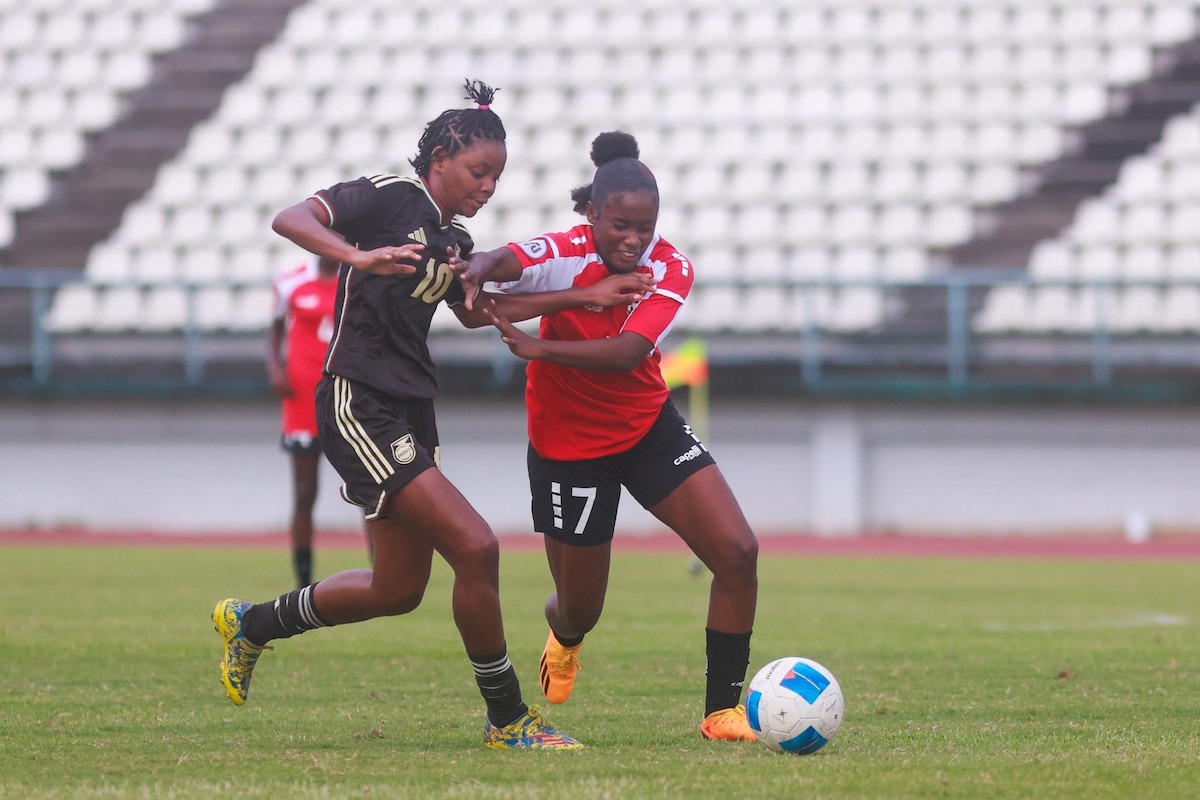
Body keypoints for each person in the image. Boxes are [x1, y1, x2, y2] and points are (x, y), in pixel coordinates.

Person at [210, 81, 645, 750]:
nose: (488, 186)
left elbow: (480, 311)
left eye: (497, 176)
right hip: (359, 398)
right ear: (440, 155)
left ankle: (253, 624)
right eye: (479, 171)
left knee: (397, 588)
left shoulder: (451, 238)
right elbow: (290, 218)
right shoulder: (388, 196)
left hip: (410, 408)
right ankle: (507, 720)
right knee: (476, 547)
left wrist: (586, 294)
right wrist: (358, 254)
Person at [463, 130, 760, 742]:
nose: (633, 240)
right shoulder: (565, 249)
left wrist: (536, 345)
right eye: (620, 225)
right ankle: (564, 636)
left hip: (648, 425)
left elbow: (627, 354)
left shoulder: (669, 266)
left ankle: (721, 713)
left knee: (737, 554)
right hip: (567, 449)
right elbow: (501, 263)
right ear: (592, 213)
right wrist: (473, 265)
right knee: (580, 609)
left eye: (644, 227)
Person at [267, 252, 342, 588]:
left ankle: (382, 576)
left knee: (368, 492)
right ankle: (303, 580)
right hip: (302, 399)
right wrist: (275, 368)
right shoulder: (291, 279)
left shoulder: (360, 276)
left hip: (346, 398)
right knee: (304, 491)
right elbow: (275, 329)